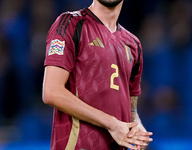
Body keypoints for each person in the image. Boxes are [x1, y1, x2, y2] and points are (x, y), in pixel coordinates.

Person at [42, 0, 153, 150]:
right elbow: (51, 92)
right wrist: (111, 123)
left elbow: (132, 109)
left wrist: (137, 127)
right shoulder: (71, 23)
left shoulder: (133, 44)